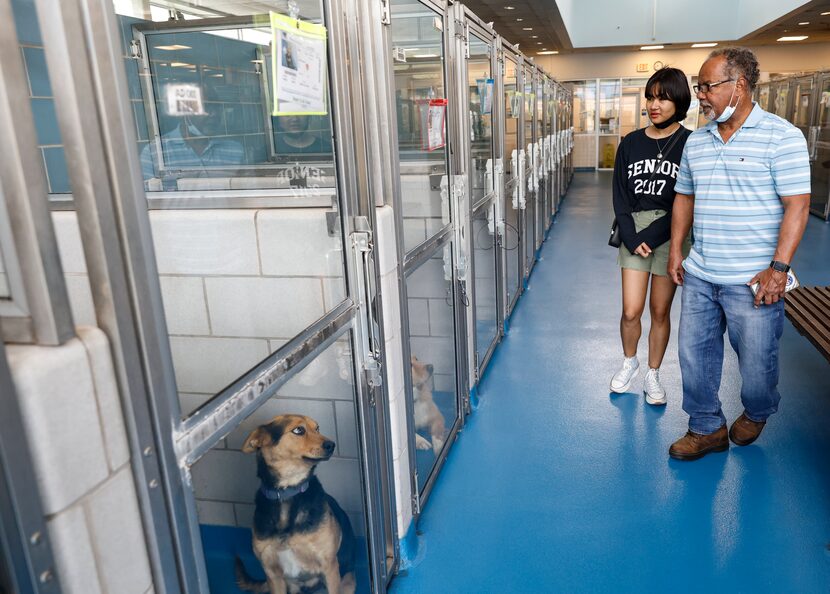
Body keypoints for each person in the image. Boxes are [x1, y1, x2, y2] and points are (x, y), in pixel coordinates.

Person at [667, 47, 811, 460]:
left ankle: (759, 409)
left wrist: (778, 269)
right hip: (700, 273)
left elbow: (797, 206)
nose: (702, 96)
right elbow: (683, 197)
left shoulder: (782, 136)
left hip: (754, 279)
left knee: (757, 366)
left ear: (740, 86)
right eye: (700, 88)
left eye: (708, 87)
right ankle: (705, 427)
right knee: (694, 357)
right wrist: (677, 251)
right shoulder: (697, 140)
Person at [609, 67, 692, 405]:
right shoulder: (630, 142)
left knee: (660, 311)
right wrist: (631, 235)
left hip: (672, 234)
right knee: (631, 310)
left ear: (679, 101)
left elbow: (686, 199)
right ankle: (630, 362)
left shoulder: (689, 143)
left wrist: (656, 234)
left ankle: (653, 374)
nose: (654, 104)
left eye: (663, 97)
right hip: (634, 231)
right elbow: (619, 194)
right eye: (650, 97)